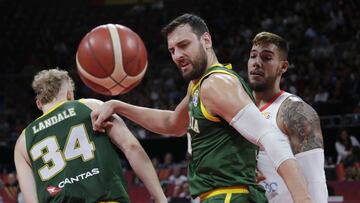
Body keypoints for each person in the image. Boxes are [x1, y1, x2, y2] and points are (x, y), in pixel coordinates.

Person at [92, 14, 312, 203]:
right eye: (172, 50)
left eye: (184, 45)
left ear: (206, 40)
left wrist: (302, 199)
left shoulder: (216, 84)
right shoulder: (198, 85)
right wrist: (118, 106)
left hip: (228, 196)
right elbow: (173, 124)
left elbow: (270, 136)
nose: (177, 55)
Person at [14, 69, 167, 203]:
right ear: (69, 94)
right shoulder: (91, 106)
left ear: (39, 103)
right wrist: (161, 199)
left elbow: (30, 199)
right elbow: (131, 147)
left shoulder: (22, 141)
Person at [247, 32, 328, 203]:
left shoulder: (295, 112)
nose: (257, 63)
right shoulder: (240, 110)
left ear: (283, 67)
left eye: (267, 58)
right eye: (253, 56)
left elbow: (315, 181)